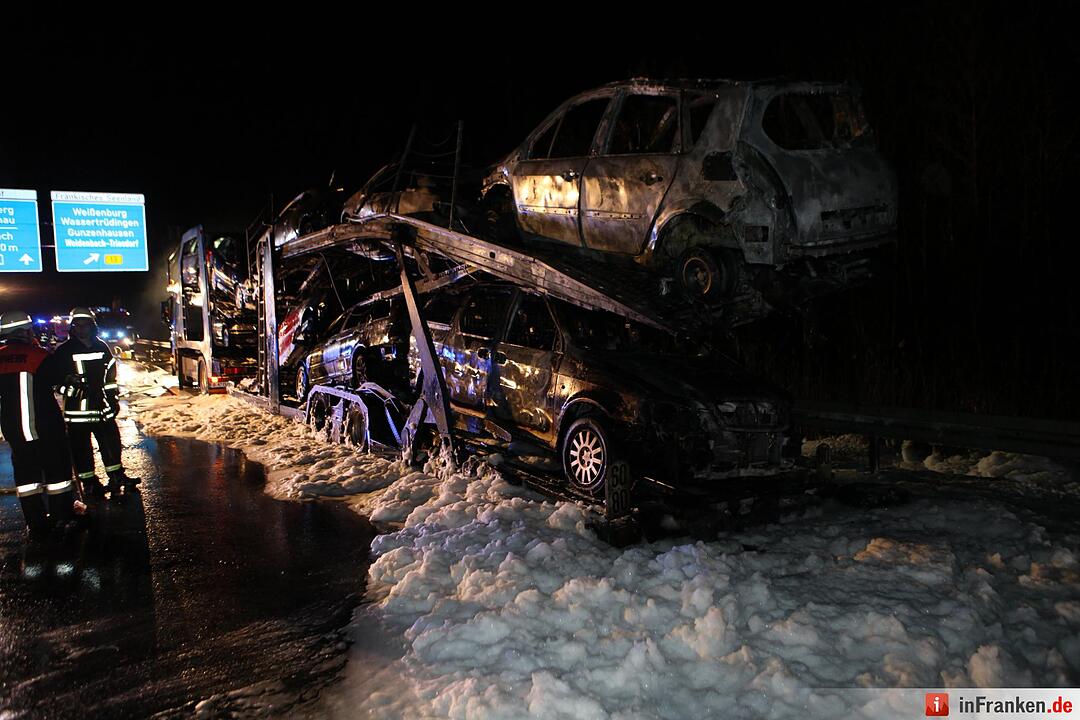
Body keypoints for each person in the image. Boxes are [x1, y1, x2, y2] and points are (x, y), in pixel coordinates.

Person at [0, 310, 79, 534]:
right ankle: (62, 517)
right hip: (46, 427)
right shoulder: (39, 356)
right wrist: (74, 384)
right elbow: (60, 383)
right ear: (25, 331)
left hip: (15, 430)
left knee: (26, 479)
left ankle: (35, 523)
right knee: (57, 475)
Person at [52, 307, 140, 497]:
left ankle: (116, 476)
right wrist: (73, 389)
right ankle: (90, 483)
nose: (81, 329)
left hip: (102, 408)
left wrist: (112, 398)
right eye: (78, 325)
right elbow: (55, 382)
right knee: (81, 449)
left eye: (85, 325)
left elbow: (110, 377)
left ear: (92, 326)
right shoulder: (64, 351)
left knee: (111, 444)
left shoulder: (101, 347)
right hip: (78, 413)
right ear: (73, 327)